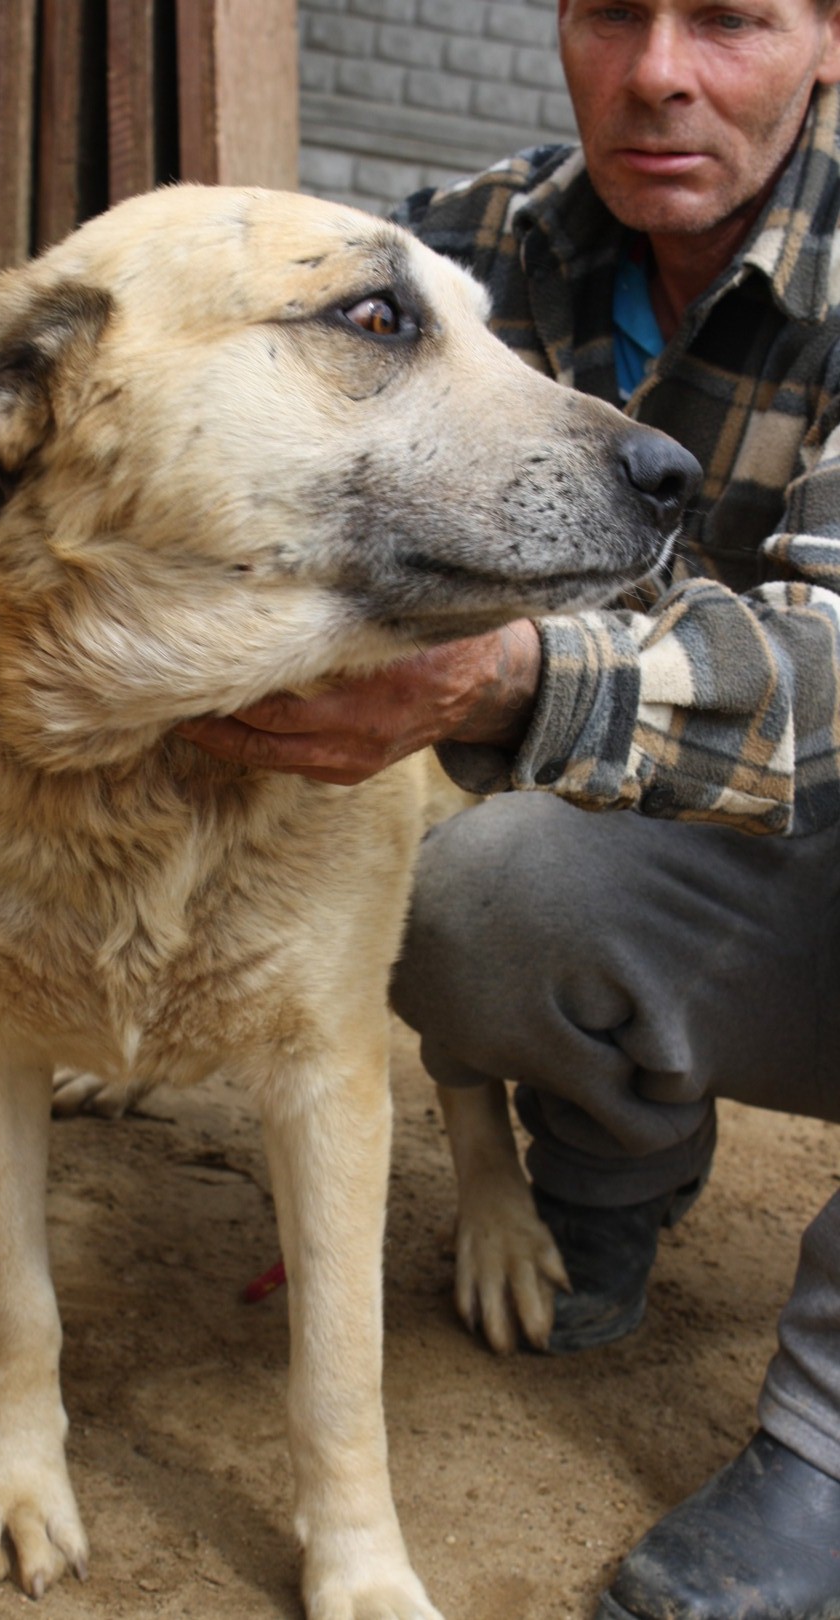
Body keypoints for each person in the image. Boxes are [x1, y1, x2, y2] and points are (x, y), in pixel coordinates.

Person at [177, 2, 840, 1617]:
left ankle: (829, 1456)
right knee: (474, 896)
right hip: (688, 848)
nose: (658, 71)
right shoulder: (464, 253)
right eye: (615, 10)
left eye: (733, 18)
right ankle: (608, 1181)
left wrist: (498, 683)